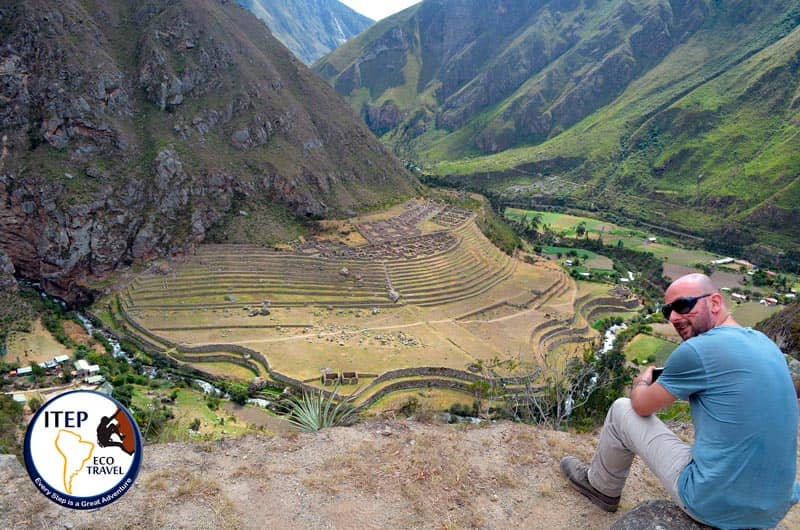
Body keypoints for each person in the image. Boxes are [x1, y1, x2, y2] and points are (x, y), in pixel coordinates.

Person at [560, 273, 799, 529]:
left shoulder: (697, 350)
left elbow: (641, 405)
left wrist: (641, 381)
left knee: (622, 409)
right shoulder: (766, 345)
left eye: (683, 305)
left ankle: (601, 487)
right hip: (773, 509)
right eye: (667, 310)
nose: (673, 316)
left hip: (713, 504)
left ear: (715, 303)